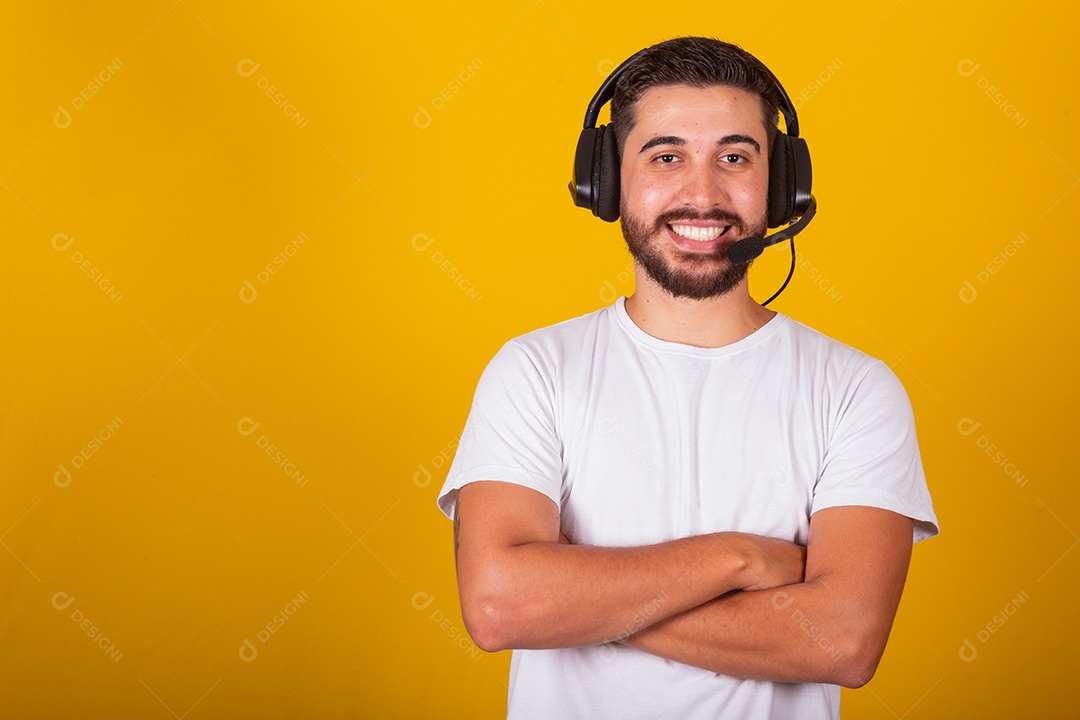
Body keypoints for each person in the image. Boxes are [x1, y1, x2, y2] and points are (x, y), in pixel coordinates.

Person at [437, 36, 938, 720]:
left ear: (783, 185)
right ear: (608, 181)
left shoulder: (857, 389)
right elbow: (500, 606)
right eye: (666, 156)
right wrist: (741, 561)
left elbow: (843, 642)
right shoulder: (532, 372)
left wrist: (572, 602)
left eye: (734, 158)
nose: (702, 193)